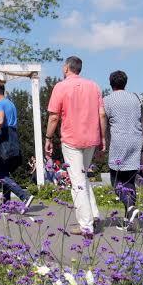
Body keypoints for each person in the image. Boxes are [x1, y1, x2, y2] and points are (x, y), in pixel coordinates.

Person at [45, 56, 104, 236]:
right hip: (91, 138)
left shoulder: (61, 87)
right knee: (83, 177)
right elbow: (101, 114)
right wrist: (103, 139)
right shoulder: (94, 86)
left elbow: (54, 117)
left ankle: (86, 225)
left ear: (66, 68)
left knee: (77, 182)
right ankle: (94, 215)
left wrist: (48, 138)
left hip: (71, 139)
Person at [101, 70, 143, 228]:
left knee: (116, 182)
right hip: (136, 140)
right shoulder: (136, 97)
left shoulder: (107, 100)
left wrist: (103, 139)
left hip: (119, 142)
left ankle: (131, 208)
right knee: (130, 181)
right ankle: (129, 220)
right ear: (125, 82)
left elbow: (103, 121)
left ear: (111, 83)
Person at [0, 83, 34, 211]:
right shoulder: (11, 103)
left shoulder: (0, 104)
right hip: (13, 138)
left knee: (0, 174)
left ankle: (24, 196)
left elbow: (0, 121)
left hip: (3, 139)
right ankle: (6, 206)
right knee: (5, 173)